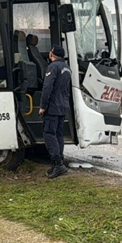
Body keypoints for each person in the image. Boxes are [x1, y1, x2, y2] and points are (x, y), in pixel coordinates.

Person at [38, 44, 72, 178]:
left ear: (52, 54)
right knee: (58, 135)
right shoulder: (66, 67)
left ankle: (58, 164)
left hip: (52, 106)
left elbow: (47, 88)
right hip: (62, 105)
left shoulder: (53, 67)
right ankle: (58, 163)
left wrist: (43, 106)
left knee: (49, 134)